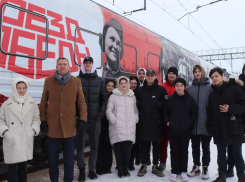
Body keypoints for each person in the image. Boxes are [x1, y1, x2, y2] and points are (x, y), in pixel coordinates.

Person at [40, 57, 87, 182]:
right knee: (53, 158)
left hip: (70, 126)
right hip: (53, 126)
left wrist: (83, 118)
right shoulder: (48, 81)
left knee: (69, 159)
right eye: (60, 64)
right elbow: (43, 102)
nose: (62, 66)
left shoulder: (76, 81)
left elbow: (81, 102)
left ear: (68, 67)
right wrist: (43, 120)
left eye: (64, 64)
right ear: (56, 67)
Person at [207, 67, 245, 182]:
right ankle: (222, 176)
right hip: (219, 129)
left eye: (216, 76)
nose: (214, 79)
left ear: (223, 76)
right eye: (212, 77)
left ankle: (241, 176)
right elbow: (210, 113)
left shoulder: (234, 89)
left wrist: (230, 108)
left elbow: (243, 105)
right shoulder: (212, 95)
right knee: (221, 155)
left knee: (237, 154)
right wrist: (210, 127)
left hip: (234, 128)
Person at [0, 77, 40, 182]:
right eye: (19, 88)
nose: (21, 91)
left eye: (24, 88)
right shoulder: (6, 104)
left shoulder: (32, 103)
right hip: (12, 140)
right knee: (12, 172)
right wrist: (6, 133)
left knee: (23, 171)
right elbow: (1, 121)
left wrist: (33, 131)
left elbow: (36, 119)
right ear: (14, 88)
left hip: (25, 140)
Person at [76, 56, 108, 181]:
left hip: (95, 119)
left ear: (93, 65)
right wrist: (76, 113)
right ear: (83, 65)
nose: (88, 65)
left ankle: (92, 170)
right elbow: (73, 99)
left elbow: (104, 99)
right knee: (80, 146)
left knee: (94, 146)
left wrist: (101, 114)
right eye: (86, 63)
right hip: (81, 119)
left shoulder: (100, 80)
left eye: (90, 63)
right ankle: (82, 171)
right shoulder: (77, 80)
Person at [136, 69, 168, 177]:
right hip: (143, 122)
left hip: (156, 122)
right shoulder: (140, 90)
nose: (149, 77)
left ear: (155, 77)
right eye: (148, 75)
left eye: (152, 75)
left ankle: (155, 166)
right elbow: (136, 104)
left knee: (156, 145)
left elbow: (165, 105)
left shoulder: (161, 90)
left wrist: (156, 104)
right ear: (145, 77)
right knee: (144, 145)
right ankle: (143, 166)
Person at [164, 78, 196, 182]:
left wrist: (189, 123)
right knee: (174, 150)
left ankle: (183, 171)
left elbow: (193, 114)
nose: (179, 87)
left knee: (183, 151)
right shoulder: (170, 99)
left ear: (184, 87)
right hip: (172, 130)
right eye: (177, 85)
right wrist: (168, 122)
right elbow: (165, 112)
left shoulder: (190, 99)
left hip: (185, 130)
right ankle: (174, 171)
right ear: (175, 87)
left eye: (181, 85)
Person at [106, 76, 139, 178]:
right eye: (121, 83)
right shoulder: (113, 96)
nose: (123, 85)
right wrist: (114, 120)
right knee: (118, 151)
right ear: (119, 85)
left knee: (127, 151)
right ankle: (120, 168)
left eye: (125, 83)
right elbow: (109, 111)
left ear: (128, 84)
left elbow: (135, 110)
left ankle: (125, 168)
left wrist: (135, 119)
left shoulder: (132, 96)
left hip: (129, 127)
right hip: (117, 127)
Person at [187, 65, 212, 179]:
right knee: (195, 147)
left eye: (199, 71)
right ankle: (196, 166)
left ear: (203, 73)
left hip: (206, 123)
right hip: (194, 124)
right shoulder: (190, 88)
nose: (197, 74)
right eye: (195, 72)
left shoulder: (210, 87)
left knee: (206, 148)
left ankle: (205, 168)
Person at [159, 66, 178, 171]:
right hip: (164, 120)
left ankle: (176, 163)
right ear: (167, 75)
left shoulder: (180, 86)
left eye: (173, 74)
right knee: (163, 142)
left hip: (176, 121)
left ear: (176, 75)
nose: (171, 75)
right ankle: (162, 161)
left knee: (175, 143)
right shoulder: (162, 87)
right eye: (169, 73)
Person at [96, 79, 116, 175]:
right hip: (100, 123)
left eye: (112, 86)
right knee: (100, 146)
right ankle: (99, 168)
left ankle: (107, 167)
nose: (110, 87)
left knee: (108, 147)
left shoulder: (114, 97)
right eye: (108, 85)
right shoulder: (100, 96)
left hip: (110, 124)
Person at [128, 76, 140, 170]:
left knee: (134, 143)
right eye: (131, 83)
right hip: (126, 122)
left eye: (135, 83)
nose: (133, 85)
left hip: (136, 121)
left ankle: (131, 162)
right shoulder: (125, 93)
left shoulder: (139, 93)